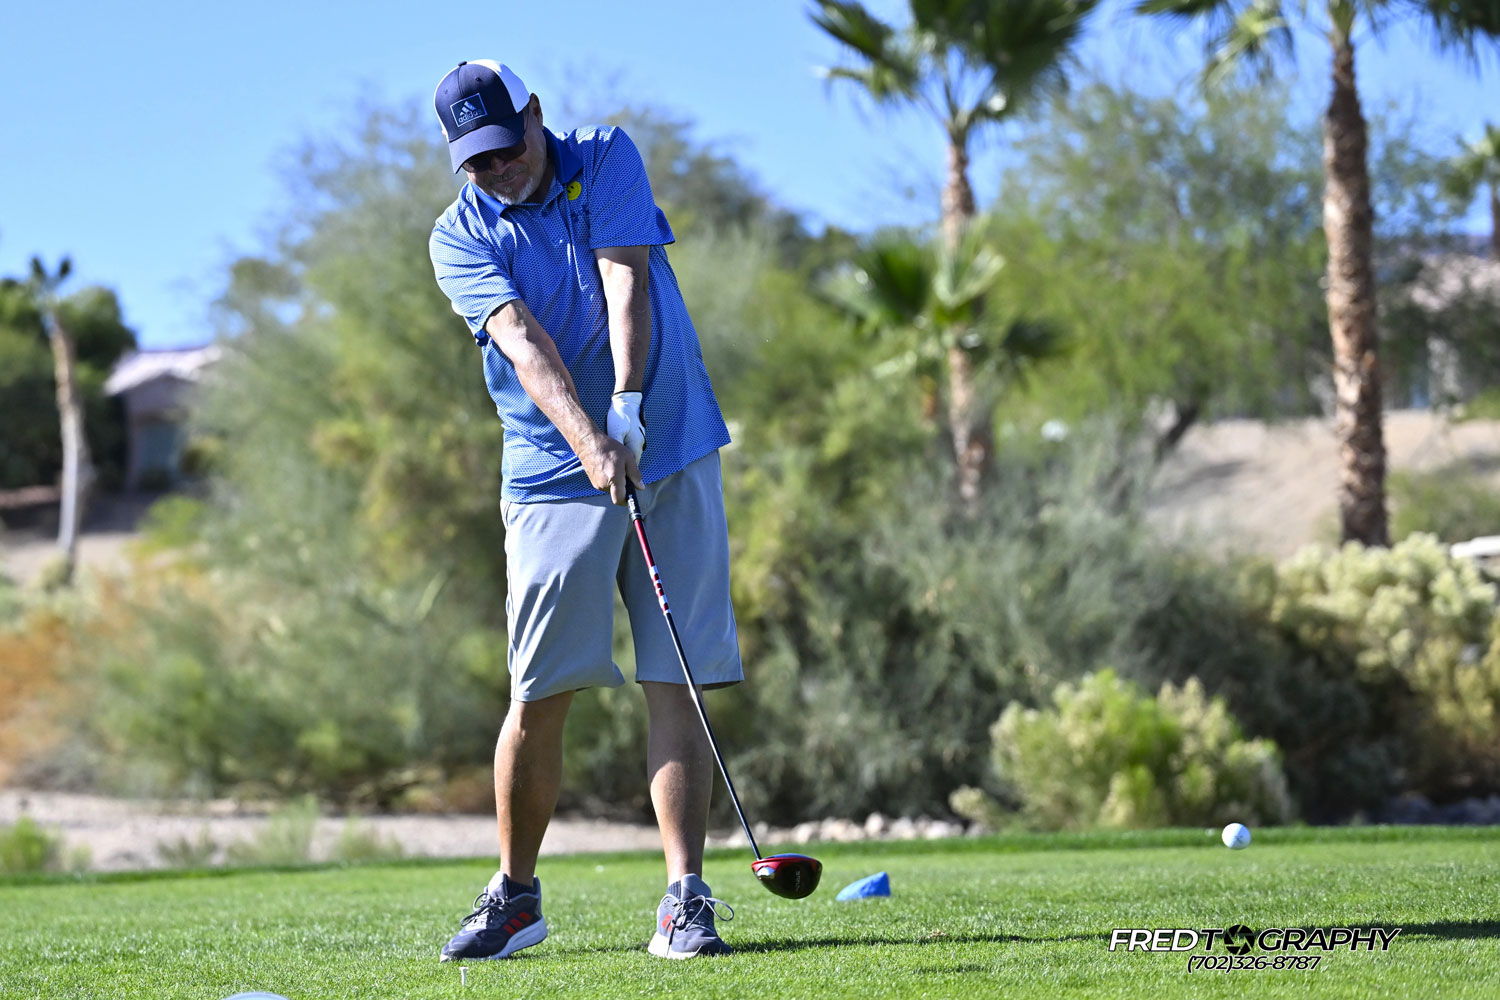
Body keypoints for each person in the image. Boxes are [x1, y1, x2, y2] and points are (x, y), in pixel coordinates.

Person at [426, 60, 743, 962]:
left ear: (535, 114)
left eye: (507, 147)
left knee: (676, 676)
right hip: (549, 473)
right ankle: (516, 896)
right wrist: (591, 441)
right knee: (539, 690)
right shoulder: (459, 235)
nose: (500, 170)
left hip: (670, 438)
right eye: (478, 161)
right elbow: (522, 342)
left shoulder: (603, 157)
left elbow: (623, 279)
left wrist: (629, 412)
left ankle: (685, 898)